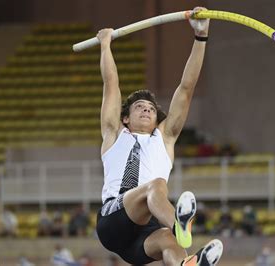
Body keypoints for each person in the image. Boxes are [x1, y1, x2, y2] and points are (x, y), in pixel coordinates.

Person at [95, 7, 223, 266]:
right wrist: (105, 45)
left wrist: (201, 36)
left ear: (157, 119)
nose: (146, 109)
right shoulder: (113, 134)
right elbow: (111, 84)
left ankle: (184, 262)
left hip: (145, 233)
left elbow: (186, 88)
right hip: (114, 220)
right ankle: (179, 225)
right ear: (126, 118)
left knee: (169, 242)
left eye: (151, 109)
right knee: (156, 186)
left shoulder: (165, 139)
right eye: (139, 107)